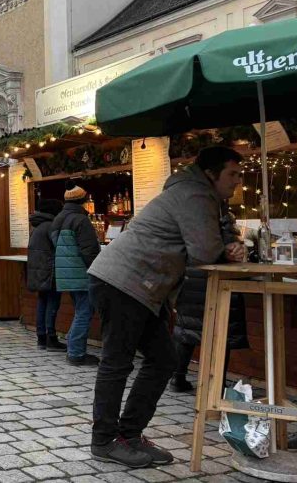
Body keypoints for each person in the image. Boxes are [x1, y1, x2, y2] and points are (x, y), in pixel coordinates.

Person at [87, 146, 245, 468]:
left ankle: (129, 434)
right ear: (211, 174)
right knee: (117, 363)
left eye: (240, 175)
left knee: (163, 359)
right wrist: (226, 248)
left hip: (137, 286)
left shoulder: (203, 197)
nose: (238, 182)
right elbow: (204, 251)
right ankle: (104, 440)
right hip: (122, 281)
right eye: (233, 174)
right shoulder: (195, 195)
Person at [170, 207, 247, 393]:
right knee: (222, 333)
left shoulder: (184, 216)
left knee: (186, 331)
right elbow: (233, 250)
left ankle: (177, 378)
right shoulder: (221, 217)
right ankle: (217, 384)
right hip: (216, 280)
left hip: (190, 279)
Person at [50, 182, 101, 366]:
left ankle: (73, 346)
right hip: (81, 273)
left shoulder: (58, 219)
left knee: (80, 311)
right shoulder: (80, 220)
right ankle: (76, 353)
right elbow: (89, 250)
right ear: (83, 199)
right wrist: (97, 271)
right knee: (84, 312)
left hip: (65, 275)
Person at [27, 199, 66, 351]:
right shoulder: (51, 226)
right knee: (53, 303)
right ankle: (51, 337)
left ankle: (41, 337)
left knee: (42, 302)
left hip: (38, 271)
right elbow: (60, 247)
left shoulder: (36, 227)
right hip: (50, 270)